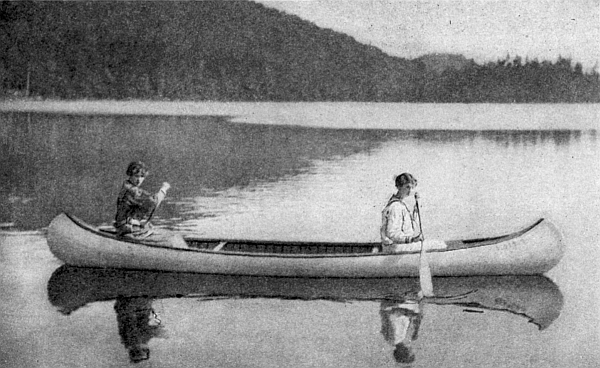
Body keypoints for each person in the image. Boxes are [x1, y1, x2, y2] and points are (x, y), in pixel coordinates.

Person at [114, 161, 187, 248]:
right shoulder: (131, 190)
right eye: (136, 176)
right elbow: (153, 201)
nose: (139, 180)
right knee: (173, 238)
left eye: (142, 176)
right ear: (130, 175)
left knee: (174, 236)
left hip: (130, 228)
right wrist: (164, 189)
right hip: (128, 231)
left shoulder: (129, 186)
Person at [380, 173, 424, 253]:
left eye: (411, 187)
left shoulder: (400, 204)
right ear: (399, 187)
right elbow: (392, 233)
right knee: (439, 245)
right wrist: (412, 239)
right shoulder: (395, 206)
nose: (410, 190)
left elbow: (408, 228)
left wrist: (416, 209)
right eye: (407, 187)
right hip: (396, 248)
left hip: (401, 246)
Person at [380, 293, 423, 364]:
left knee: (420, 296)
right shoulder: (405, 339)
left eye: (410, 352)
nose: (412, 349)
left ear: (402, 352)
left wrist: (411, 314)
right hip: (401, 305)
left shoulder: (394, 338)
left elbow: (390, 314)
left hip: (395, 304)